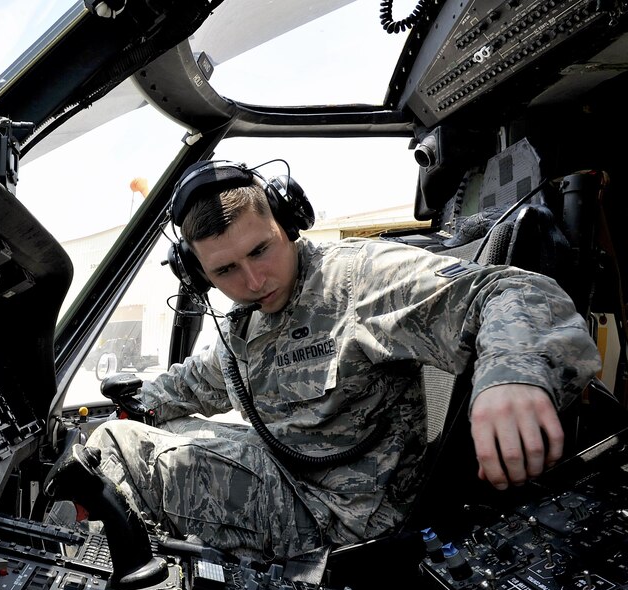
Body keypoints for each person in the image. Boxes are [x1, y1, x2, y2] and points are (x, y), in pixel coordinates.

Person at [80, 159, 602, 561]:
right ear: (199, 275)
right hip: (287, 473)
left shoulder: (357, 281)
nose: (253, 281)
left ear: (287, 224)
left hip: (342, 517)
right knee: (156, 430)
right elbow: (207, 379)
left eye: (261, 250)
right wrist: (147, 397)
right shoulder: (249, 319)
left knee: (112, 448)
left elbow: (513, 291)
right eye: (226, 271)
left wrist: (511, 377)